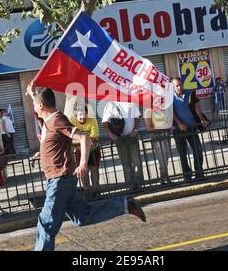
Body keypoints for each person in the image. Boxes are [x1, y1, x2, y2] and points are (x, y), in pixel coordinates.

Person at [25, 82, 146, 251]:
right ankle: (124, 205)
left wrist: (82, 163)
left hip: (59, 180)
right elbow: (51, 132)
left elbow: (83, 138)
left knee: (46, 223)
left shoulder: (57, 120)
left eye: (34, 104)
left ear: (41, 105)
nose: (33, 108)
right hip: (60, 179)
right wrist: (32, 93)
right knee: (83, 216)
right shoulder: (47, 120)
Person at [102, 100, 143, 190]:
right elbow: (104, 121)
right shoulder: (110, 104)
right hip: (119, 138)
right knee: (125, 162)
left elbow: (137, 117)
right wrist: (110, 134)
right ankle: (130, 185)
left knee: (137, 161)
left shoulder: (131, 101)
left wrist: (135, 130)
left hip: (132, 137)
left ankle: (139, 184)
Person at [171, 77, 204, 181]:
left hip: (191, 126)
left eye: (180, 84)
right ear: (172, 86)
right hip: (178, 129)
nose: (179, 87)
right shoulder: (169, 97)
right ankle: (187, 175)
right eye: (177, 85)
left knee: (198, 150)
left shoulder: (189, 93)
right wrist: (179, 124)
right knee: (182, 153)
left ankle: (199, 173)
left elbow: (197, 107)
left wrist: (202, 119)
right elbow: (171, 112)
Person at [70, 105, 102, 199]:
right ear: (76, 115)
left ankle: (96, 190)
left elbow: (94, 137)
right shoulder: (73, 122)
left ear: (87, 114)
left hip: (94, 149)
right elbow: (71, 137)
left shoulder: (92, 121)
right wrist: (84, 142)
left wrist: (80, 141)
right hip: (80, 150)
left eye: (84, 114)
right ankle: (87, 190)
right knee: (83, 170)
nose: (82, 117)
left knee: (94, 169)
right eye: (80, 114)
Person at [144, 104, 173, 185]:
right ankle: (166, 177)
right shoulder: (148, 111)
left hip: (166, 136)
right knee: (162, 158)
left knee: (166, 156)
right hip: (157, 137)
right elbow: (149, 127)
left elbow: (168, 122)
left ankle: (162, 178)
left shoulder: (163, 109)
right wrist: (162, 127)